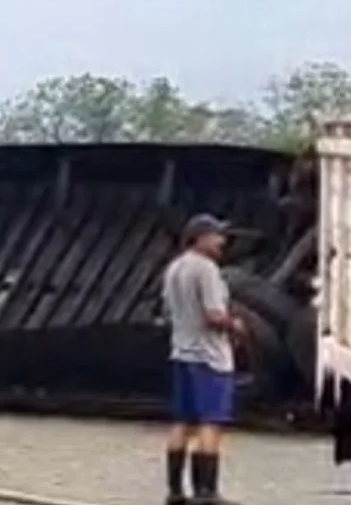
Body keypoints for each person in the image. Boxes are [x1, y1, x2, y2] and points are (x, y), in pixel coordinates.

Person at [161, 213, 245, 505]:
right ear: (200, 237)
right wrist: (235, 325)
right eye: (217, 235)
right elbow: (214, 315)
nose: (223, 241)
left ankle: (174, 490)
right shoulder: (207, 269)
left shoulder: (174, 268)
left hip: (182, 353)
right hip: (210, 358)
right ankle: (206, 492)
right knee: (211, 422)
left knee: (181, 421)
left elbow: (168, 312)